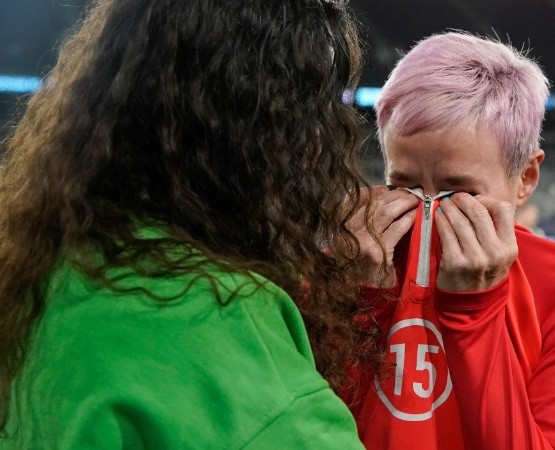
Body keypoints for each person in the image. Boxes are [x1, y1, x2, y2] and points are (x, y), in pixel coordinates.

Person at [0, 0, 372, 447]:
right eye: (312, 114)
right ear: (261, 134)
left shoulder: (52, 268)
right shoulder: (219, 319)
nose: (318, 148)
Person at [343, 32, 555, 450]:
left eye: (458, 191)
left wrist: (474, 315)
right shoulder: (349, 265)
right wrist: (357, 304)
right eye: (402, 184)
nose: (429, 209)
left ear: (525, 179)